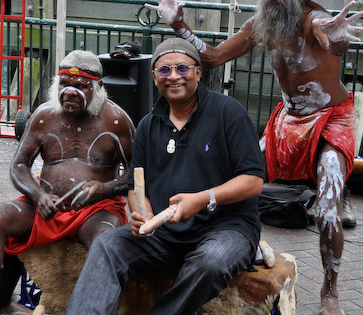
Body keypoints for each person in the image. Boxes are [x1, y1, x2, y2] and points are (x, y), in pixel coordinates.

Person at [144, 0, 363, 315]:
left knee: (326, 210)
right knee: (233, 178)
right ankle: (233, 244)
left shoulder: (315, 19)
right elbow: (212, 58)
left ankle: (330, 292)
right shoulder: (261, 25)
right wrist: (178, 25)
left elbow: (333, 41)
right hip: (287, 120)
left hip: (331, 118)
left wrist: (339, 38)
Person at [65, 39, 265, 315]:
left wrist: (203, 198)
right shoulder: (148, 125)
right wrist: (142, 214)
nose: (173, 76)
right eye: (164, 70)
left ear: (198, 72)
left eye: (182, 68)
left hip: (226, 229)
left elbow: (254, 181)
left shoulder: (228, 112)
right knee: (107, 246)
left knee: (209, 262)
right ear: (154, 76)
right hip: (164, 234)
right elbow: (136, 186)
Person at [0, 50, 135, 315]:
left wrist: (104, 188)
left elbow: (137, 172)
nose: (70, 92)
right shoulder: (44, 116)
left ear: (98, 88)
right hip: (46, 207)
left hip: (95, 211)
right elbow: (19, 165)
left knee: (106, 240)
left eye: (81, 86)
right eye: (64, 84)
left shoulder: (116, 120)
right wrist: (38, 195)